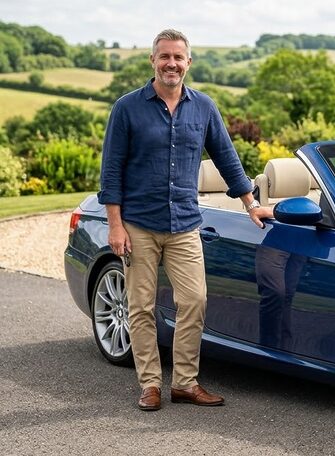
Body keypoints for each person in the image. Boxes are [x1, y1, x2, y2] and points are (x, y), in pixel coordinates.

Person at [98, 29, 273, 411]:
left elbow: (227, 159)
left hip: (185, 226)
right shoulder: (126, 108)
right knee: (141, 306)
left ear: (188, 63)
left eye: (178, 57)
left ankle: (184, 383)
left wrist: (250, 203)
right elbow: (111, 171)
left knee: (194, 301)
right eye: (165, 57)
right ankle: (150, 384)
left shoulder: (204, 108)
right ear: (153, 61)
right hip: (138, 225)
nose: (171, 64)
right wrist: (114, 224)